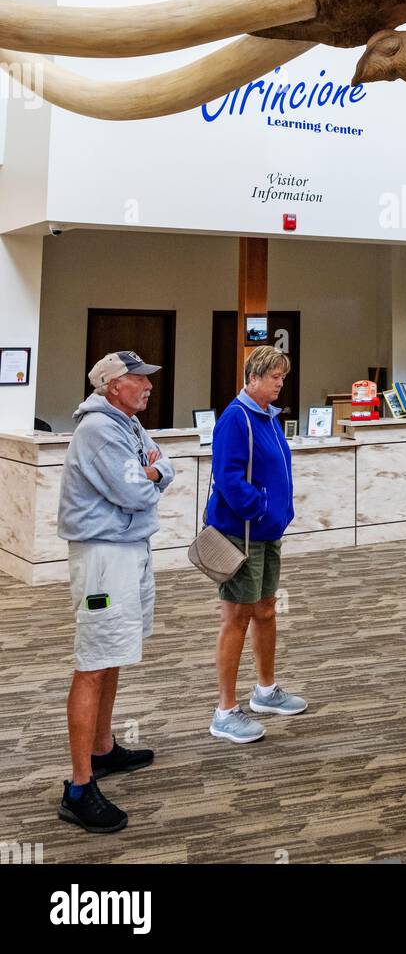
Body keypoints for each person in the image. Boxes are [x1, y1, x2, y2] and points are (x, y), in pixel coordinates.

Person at [57, 351, 175, 834]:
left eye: (147, 378)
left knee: (114, 652)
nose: (147, 385)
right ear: (110, 385)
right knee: (92, 662)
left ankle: (102, 749)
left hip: (128, 549)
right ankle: (79, 787)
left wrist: (152, 471)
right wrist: (149, 474)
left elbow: (163, 467)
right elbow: (139, 491)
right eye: (136, 379)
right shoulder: (99, 430)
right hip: (105, 559)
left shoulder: (126, 422)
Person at [208, 345, 305, 743]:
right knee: (237, 617)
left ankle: (265, 691)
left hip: (267, 534)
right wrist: (261, 506)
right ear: (253, 378)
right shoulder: (236, 418)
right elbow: (228, 478)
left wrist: (280, 512)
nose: (281, 383)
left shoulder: (268, 418)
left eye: (283, 376)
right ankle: (225, 711)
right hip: (242, 534)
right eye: (274, 377)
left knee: (266, 610)